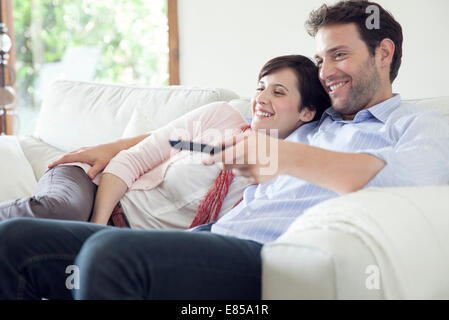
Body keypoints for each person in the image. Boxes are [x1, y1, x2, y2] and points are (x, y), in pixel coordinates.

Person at [1, 0, 449, 300]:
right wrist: (112, 147)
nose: (326, 70)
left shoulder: (418, 125)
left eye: (339, 55)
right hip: (212, 238)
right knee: (15, 240)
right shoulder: (312, 119)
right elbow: (195, 133)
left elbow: (401, 181)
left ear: (384, 52)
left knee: (109, 255)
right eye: (320, 59)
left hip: (272, 258)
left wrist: (281, 156)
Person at [0, 55, 330, 230]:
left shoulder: (282, 172)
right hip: (94, 185)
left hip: (126, 237)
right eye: (260, 87)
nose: (261, 98)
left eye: (278, 92)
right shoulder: (220, 118)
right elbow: (130, 161)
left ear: (306, 111)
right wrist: (97, 229)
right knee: (64, 212)